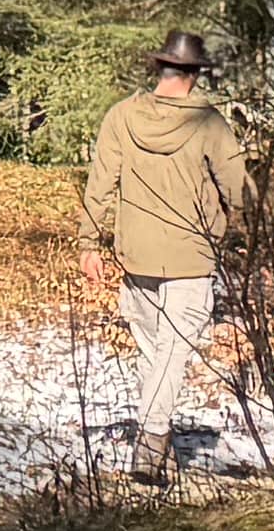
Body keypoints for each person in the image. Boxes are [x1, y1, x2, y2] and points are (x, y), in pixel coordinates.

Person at [78, 32, 253, 479]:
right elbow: (238, 190)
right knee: (171, 356)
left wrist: (88, 243)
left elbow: (99, 184)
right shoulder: (210, 124)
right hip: (191, 257)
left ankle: (158, 448)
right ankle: (151, 445)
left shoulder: (121, 117)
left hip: (136, 257)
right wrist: (239, 217)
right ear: (193, 75)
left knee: (154, 356)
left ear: (161, 69)